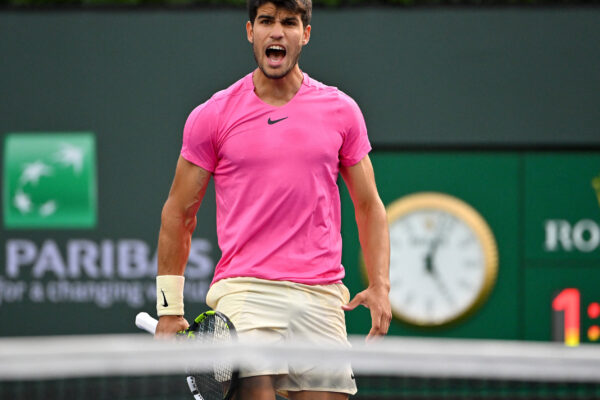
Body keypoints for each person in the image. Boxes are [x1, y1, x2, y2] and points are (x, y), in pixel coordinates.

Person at [154, 0, 391, 398]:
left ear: (305, 34)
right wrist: (169, 309)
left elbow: (369, 205)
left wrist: (380, 284)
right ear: (251, 31)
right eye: (266, 21)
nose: (277, 31)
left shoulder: (341, 110)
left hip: (321, 295)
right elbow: (178, 213)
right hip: (247, 292)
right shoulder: (213, 115)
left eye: (289, 22)